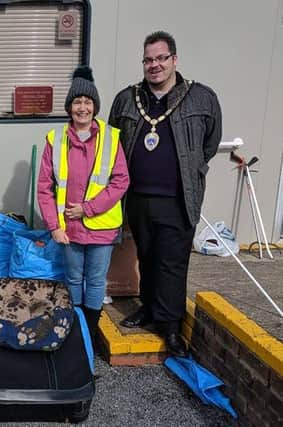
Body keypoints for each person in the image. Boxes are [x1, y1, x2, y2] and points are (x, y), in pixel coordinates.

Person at [108, 31, 222, 357]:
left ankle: (170, 326)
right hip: (139, 199)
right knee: (147, 257)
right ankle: (148, 308)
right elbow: (114, 143)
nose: (154, 65)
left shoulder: (201, 98)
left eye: (160, 58)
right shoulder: (127, 100)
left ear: (174, 60)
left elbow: (209, 144)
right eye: (148, 59)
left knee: (172, 263)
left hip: (178, 199)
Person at [37, 66, 129, 341]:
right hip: (69, 230)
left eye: (88, 102)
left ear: (95, 106)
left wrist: (87, 209)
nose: (83, 107)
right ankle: (77, 333)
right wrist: (54, 226)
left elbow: (120, 180)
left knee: (96, 281)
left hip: (101, 227)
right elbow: (45, 188)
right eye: (77, 101)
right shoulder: (55, 140)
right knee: (74, 280)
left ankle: (90, 332)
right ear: (69, 107)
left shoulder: (112, 138)